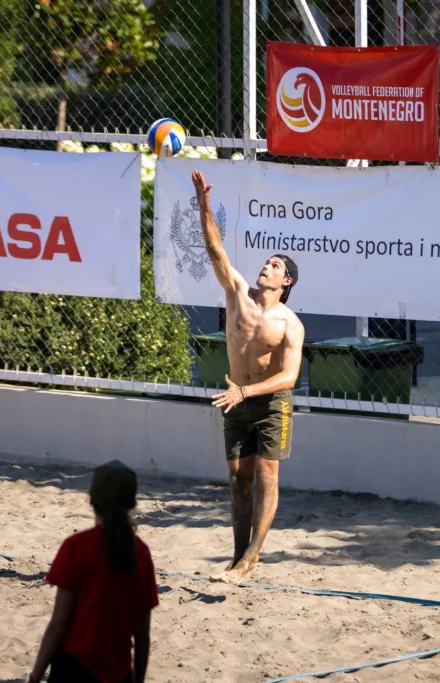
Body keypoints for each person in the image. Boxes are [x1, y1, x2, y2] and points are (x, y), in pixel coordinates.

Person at [191, 169, 305, 585]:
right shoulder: (237, 294)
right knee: (239, 480)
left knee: (266, 477)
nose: (266, 266)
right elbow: (215, 250)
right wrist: (203, 203)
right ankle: (237, 557)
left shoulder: (290, 324)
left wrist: (247, 391)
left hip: (271, 404)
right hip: (235, 401)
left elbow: (289, 378)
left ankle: (252, 557)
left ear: (285, 281)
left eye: (274, 265)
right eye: (266, 261)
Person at [26, 460, 159, 683]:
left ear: (92, 501)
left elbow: (59, 624)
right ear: (132, 503)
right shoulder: (142, 554)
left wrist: (35, 677)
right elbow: (142, 636)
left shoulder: (76, 547)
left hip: (73, 669)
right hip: (119, 674)